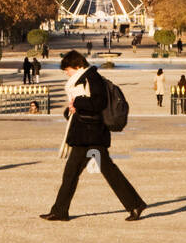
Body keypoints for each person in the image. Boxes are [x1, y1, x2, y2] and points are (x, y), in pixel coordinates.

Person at [40, 50, 146, 222]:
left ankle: (135, 204)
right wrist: (71, 109)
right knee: (77, 172)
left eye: (67, 69)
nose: (66, 72)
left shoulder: (92, 77)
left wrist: (78, 103)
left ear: (77, 65)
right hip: (86, 134)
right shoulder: (83, 78)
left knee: (87, 172)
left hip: (91, 134)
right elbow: (83, 105)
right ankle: (60, 210)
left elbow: (98, 102)